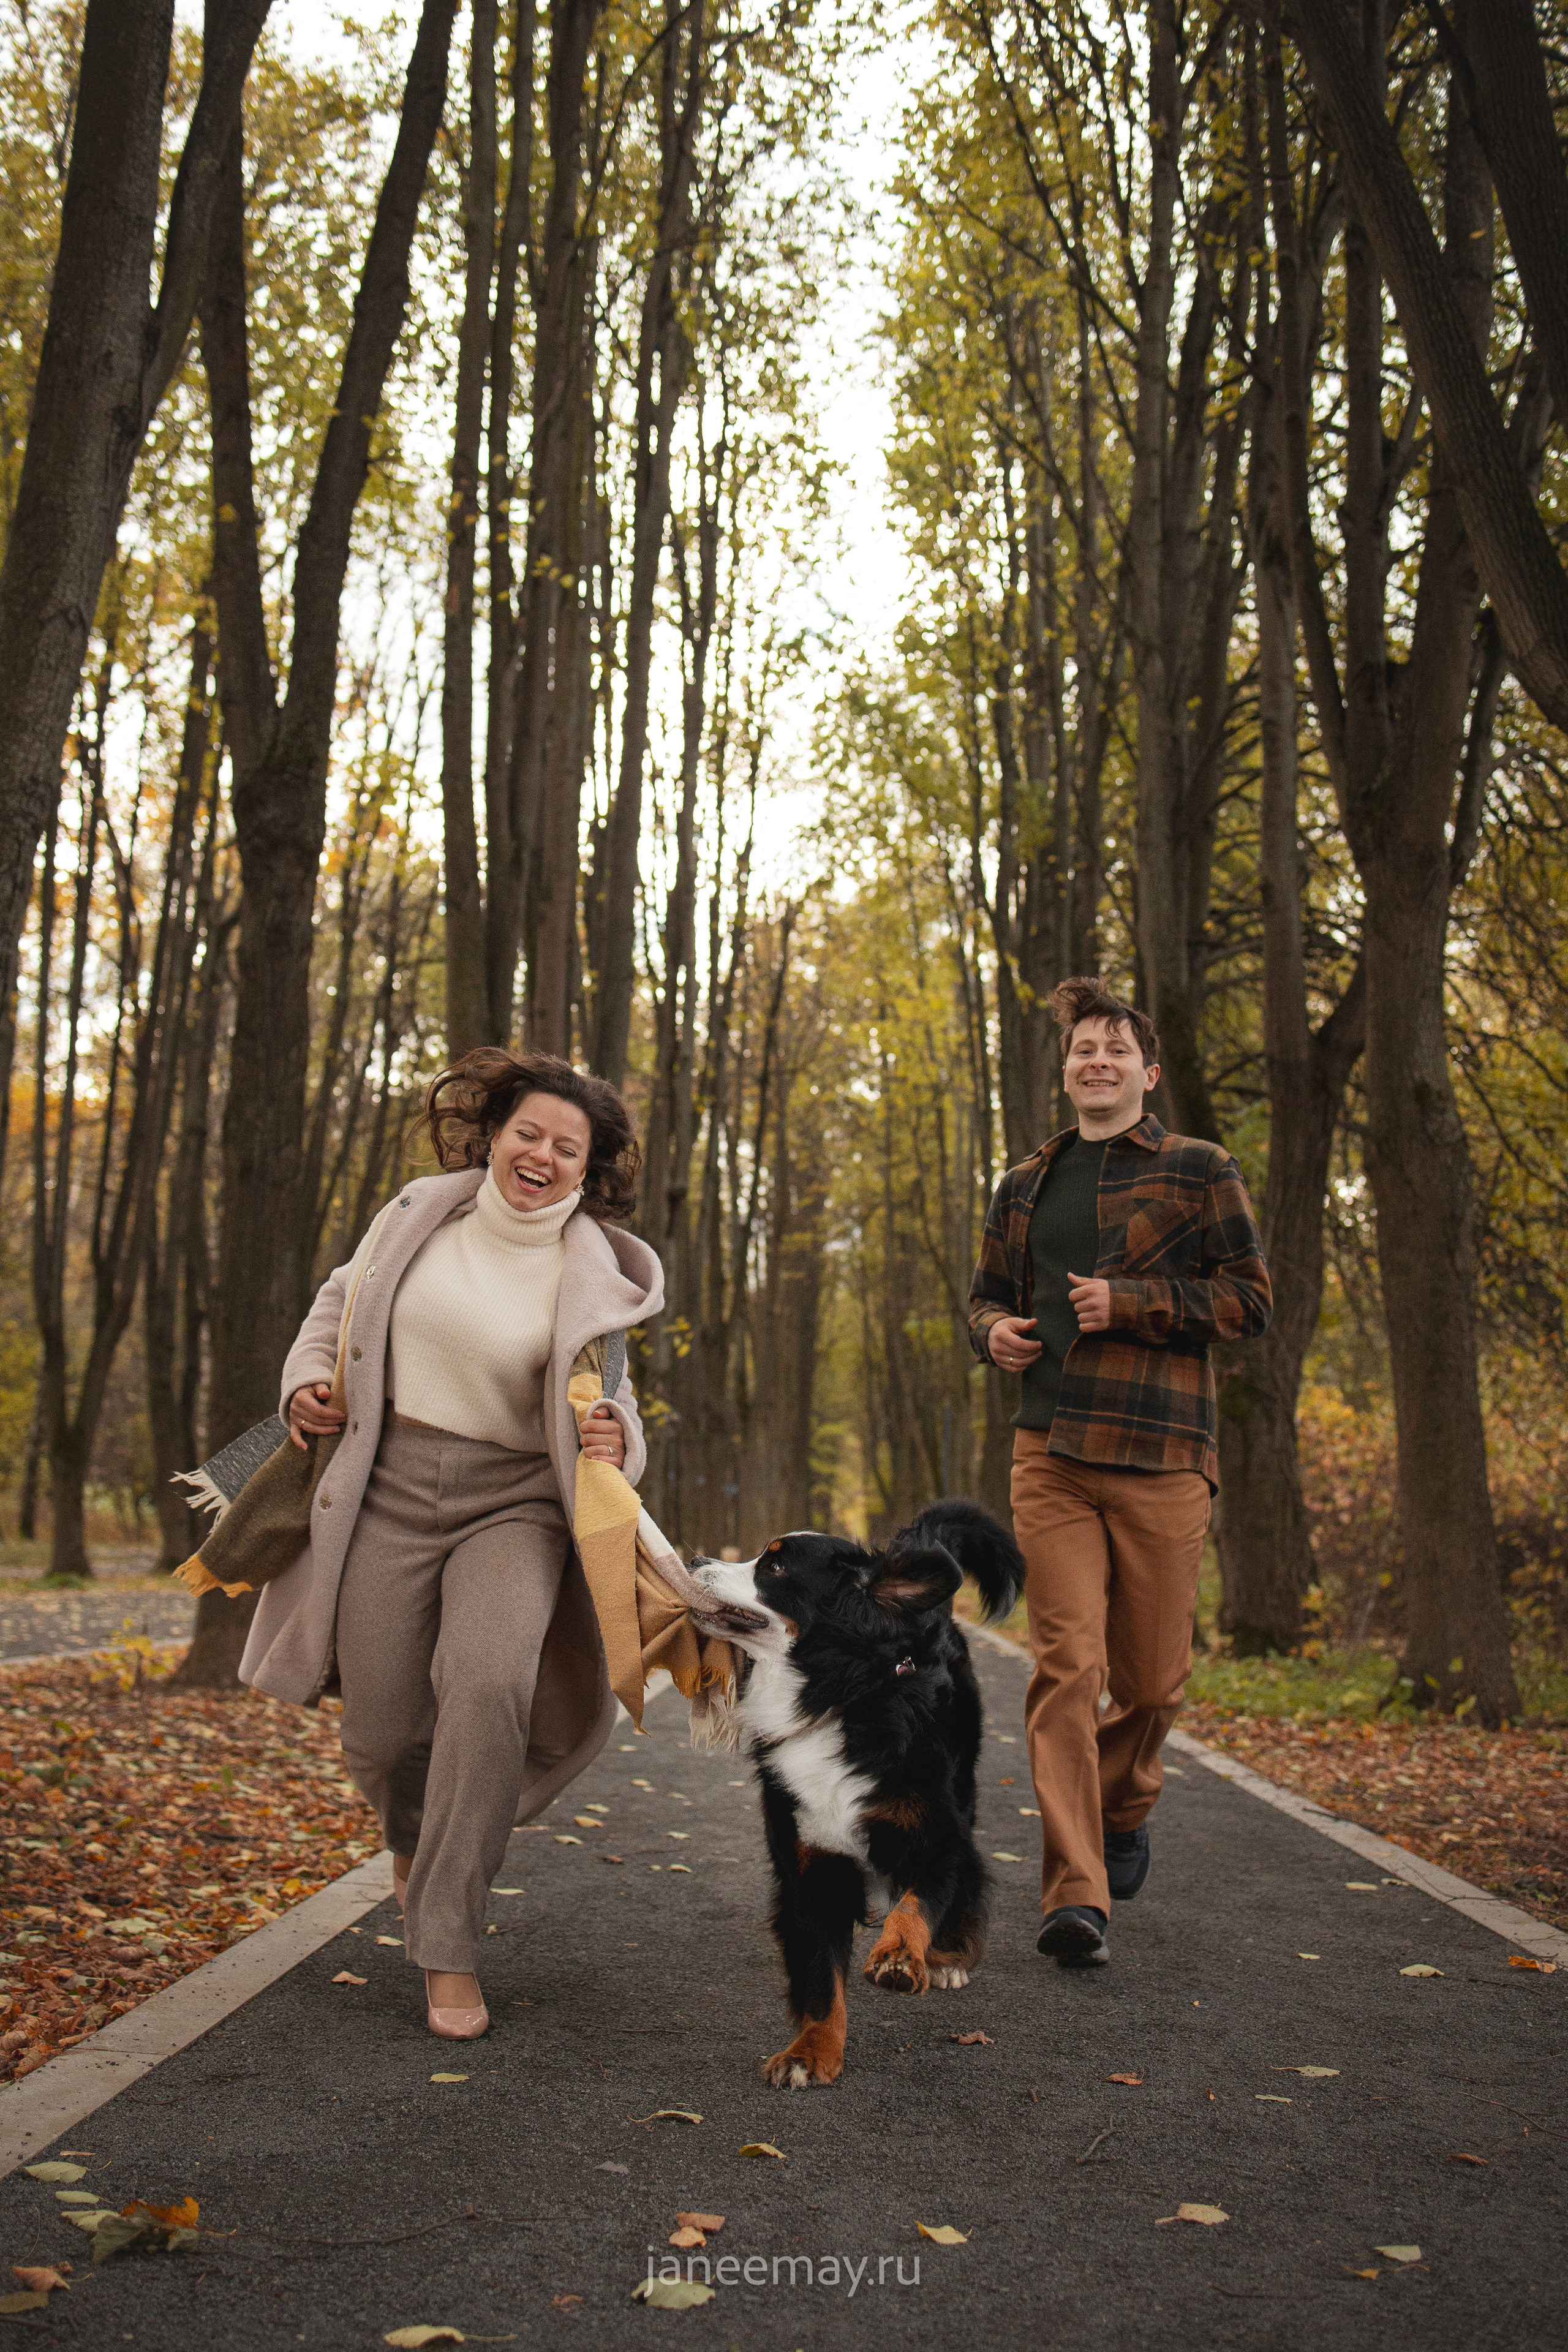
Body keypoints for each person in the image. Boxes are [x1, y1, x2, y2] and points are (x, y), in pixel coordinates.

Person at [237, 1049, 660, 2040]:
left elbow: (615, 1399)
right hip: (384, 1488)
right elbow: (338, 1305)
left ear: (590, 1169)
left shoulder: (595, 1271)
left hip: (514, 1504)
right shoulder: (418, 1215)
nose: (542, 1158)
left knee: (489, 1683)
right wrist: (305, 1381)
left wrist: (619, 1438)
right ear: (493, 1134)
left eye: (568, 1149)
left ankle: (449, 1946)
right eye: (528, 1134)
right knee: (382, 1735)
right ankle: (413, 1838)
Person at [968, 979, 1270, 1967]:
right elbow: (983, 1298)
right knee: (1069, 1670)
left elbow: (1251, 1301)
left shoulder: (1200, 1168)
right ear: (1066, 1072)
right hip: (1050, 1453)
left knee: (1150, 1685)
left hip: (1161, 1452)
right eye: (1083, 1050)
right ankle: (1076, 1893)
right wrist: (993, 1334)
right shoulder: (1023, 1183)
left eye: (1115, 1049)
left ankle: (1125, 1804)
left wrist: (1133, 1302)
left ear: (1149, 1073)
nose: (1096, 1061)